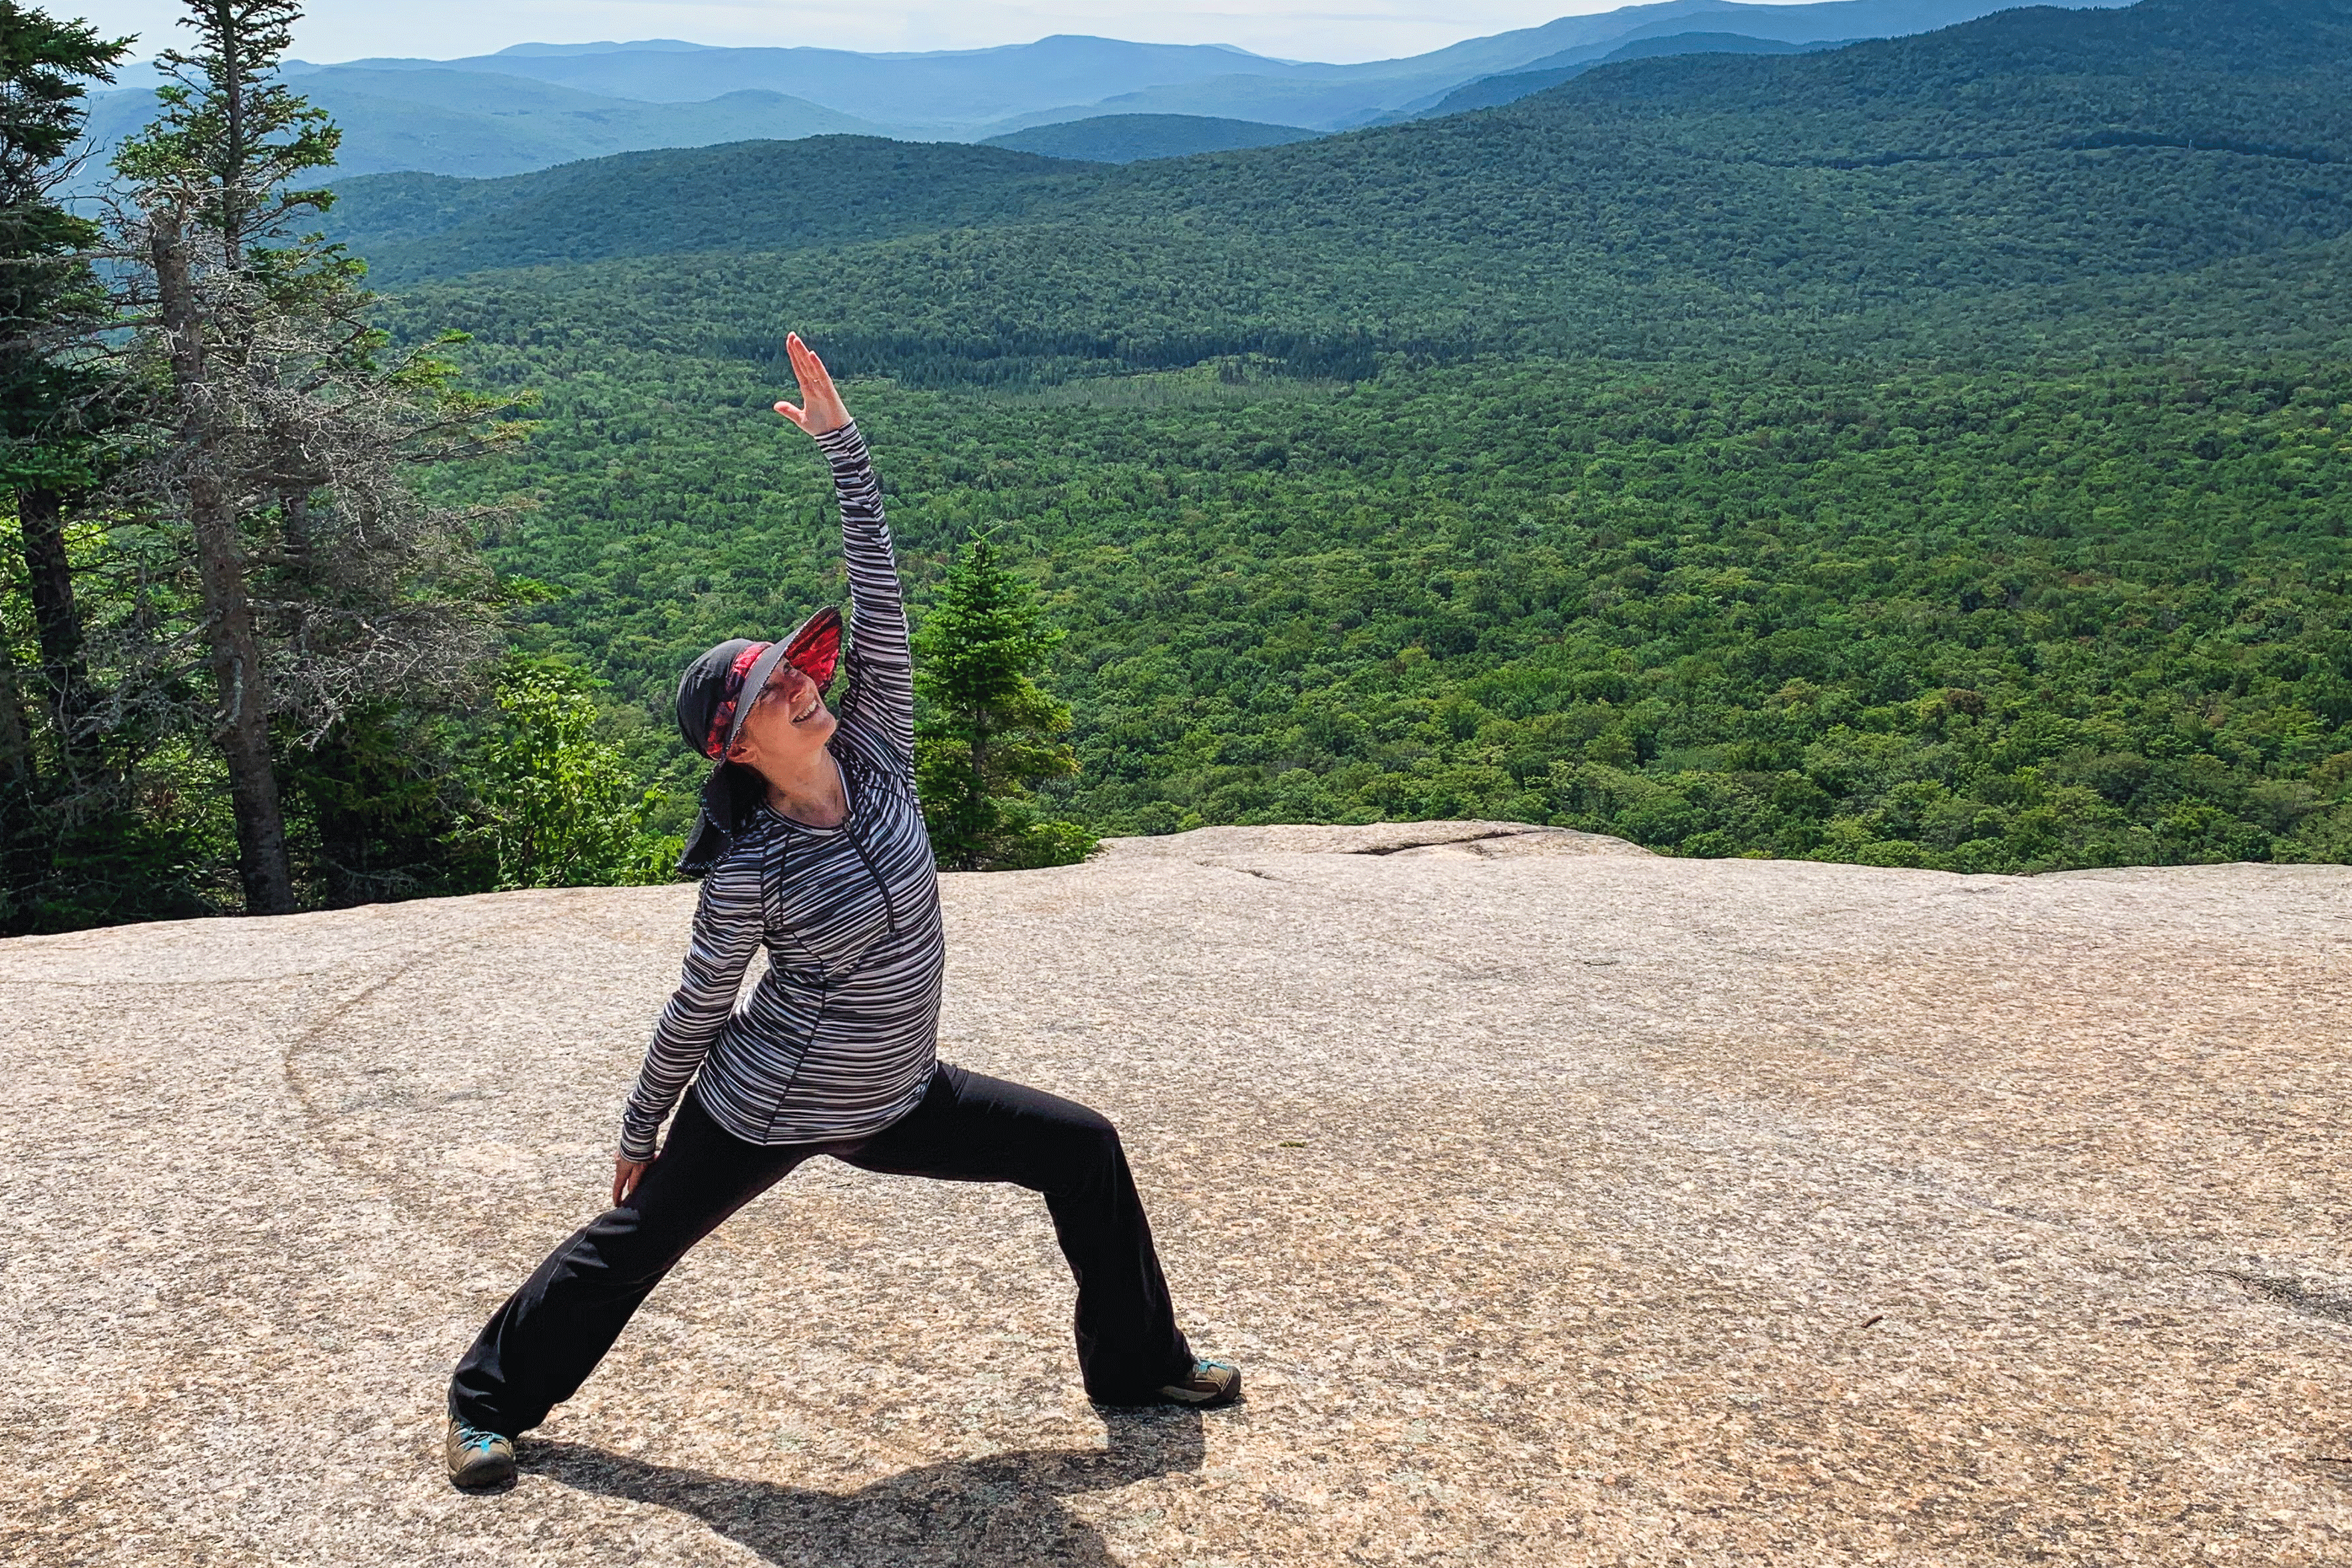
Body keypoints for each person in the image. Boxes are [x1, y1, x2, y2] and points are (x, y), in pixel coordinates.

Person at [444, 333, 1239, 1489]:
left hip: (898, 1096)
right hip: (765, 1105)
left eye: (799, 671)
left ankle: (1136, 1364)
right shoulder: (749, 866)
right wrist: (638, 1131)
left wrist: (844, 450)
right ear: (739, 742)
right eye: (776, 688)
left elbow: (882, 591)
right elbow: (699, 1005)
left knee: (1083, 1150)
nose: (804, 683)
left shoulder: (878, 756)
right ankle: (484, 1405)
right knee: (631, 1248)